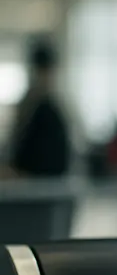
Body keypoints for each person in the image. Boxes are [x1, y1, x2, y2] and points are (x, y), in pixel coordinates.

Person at [5, 38, 71, 178]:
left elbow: (54, 162)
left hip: (40, 188)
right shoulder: (29, 106)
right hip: (29, 187)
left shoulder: (50, 111)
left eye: (45, 72)